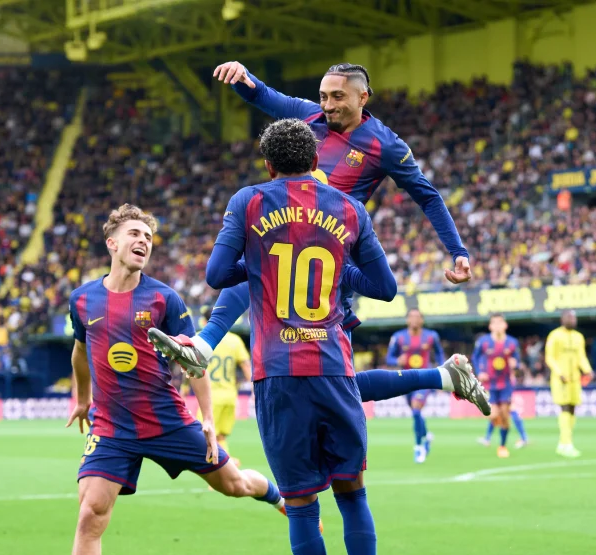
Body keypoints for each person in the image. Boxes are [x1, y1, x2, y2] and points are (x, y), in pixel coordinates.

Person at [148, 61, 489, 418]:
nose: (328, 105)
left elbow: (428, 196)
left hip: (333, 260)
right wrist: (242, 79)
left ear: (363, 96)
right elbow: (263, 96)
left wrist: (457, 251)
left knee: (342, 384)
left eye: (338, 97)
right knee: (332, 377)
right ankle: (203, 345)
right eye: (324, 96)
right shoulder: (309, 117)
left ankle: (442, 377)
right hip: (293, 243)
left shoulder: (385, 144)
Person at [45, 204, 287, 555]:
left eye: (149, 238)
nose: (143, 242)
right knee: (91, 512)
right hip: (113, 428)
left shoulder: (163, 299)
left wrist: (208, 419)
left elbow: (194, 363)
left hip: (167, 421)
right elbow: (81, 349)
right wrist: (82, 399)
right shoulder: (82, 299)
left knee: (234, 484)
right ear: (112, 243)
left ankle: (277, 497)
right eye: (135, 234)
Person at [207, 118, 398, 555]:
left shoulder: (248, 201)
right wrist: (339, 272)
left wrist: (263, 263)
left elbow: (218, 273)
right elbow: (384, 287)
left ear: (268, 163)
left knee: (300, 506)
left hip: (278, 374)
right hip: (334, 371)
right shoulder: (348, 208)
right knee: (354, 493)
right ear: (316, 158)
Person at [385, 308, 444, 464]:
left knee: (417, 408)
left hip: (425, 379)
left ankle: (419, 447)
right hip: (405, 380)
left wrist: (442, 368)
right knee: (416, 413)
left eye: (418, 317)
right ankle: (426, 436)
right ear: (407, 320)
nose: (415, 320)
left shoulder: (432, 336)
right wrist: (397, 361)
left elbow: (439, 354)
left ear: (422, 320)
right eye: (412, 317)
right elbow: (389, 358)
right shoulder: (398, 337)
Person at [196, 305, 251, 458]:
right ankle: (225, 469)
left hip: (209, 397)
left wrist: (184, 389)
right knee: (220, 438)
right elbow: (246, 365)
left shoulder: (199, 338)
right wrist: (254, 388)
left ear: (205, 321)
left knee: (204, 439)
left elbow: (191, 366)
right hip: (229, 397)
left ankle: (227, 465)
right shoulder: (235, 340)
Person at [473, 314, 523, 458]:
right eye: (494, 323)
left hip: (506, 383)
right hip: (490, 383)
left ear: (505, 325)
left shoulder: (512, 343)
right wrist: (480, 371)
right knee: (494, 415)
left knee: (505, 416)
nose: (497, 326)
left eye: (500, 323)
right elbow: (475, 357)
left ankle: (502, 446)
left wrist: (516, 365)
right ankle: (500, 432)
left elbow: (517, 361)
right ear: (490, 326)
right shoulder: (483, 342)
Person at [545, 310, 593, 458]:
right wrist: (559, 373)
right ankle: (567, 443)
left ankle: (563, 443)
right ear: (562, 319)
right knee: (565, 407)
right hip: (561, 379)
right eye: (569, 317)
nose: (572, 320)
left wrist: (588, 370)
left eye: (574, 317)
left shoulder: (578, 337)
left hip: (575, 378)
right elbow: (550, 357)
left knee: (572, 409)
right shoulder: (555, 335)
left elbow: (581, 357)